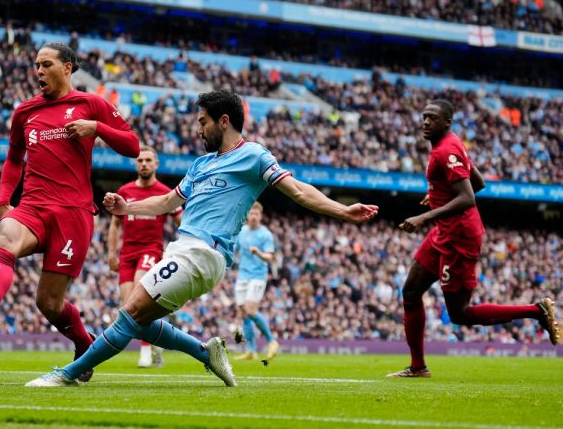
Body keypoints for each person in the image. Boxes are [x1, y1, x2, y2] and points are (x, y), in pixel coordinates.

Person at [24, 90, 378, 388]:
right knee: (142, 320)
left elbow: (297, 190)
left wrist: (342, 211)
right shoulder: (200, 165)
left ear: (224, 121)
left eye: (203, 121)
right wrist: (126, 206)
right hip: (182, 249)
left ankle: (68, 374)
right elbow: (166, 202)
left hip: (204, 254)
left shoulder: (253, 155)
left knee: (129, 313)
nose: (198, 129)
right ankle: (204, 352)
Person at [0, 43, 140, 382]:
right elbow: (12, 160)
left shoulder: (89, 104)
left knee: (48, 304)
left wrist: (96, 128)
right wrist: (5, 201)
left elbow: (132, 145)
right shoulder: (25, 112)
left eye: (46, 64)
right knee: (5, 235)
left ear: (67, 68)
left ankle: (84, 345)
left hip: (73, 215)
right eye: (36, 65)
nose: (38, 71)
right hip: (33, 207)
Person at [387, 99, 561, 378]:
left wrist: (425, 217)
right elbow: (478, 183)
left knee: (459, 314)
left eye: (432, 118)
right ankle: (418, 367)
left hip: (459, 237)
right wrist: (437, 195)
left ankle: (536, 310)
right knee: (410, 291)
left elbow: (468, 197)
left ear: (447, 123)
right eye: (424, 117)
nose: (426, 122)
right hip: (444, 231)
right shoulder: (449, 144)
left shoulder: (447, 150)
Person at [107, 145, 182, 368]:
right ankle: (158, 339)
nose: (144, 164)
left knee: (141, 290)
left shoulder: (164, 192)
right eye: (140, 160)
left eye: (148, 160)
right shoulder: (125, 191)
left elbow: (183, 223)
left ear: (156, 164)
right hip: (127, 253)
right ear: (135, 164)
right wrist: (112, 252)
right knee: (128, 306)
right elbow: (115, 224)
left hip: (151, 250)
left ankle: (145, 350)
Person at [234, 202, 279, 361]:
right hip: (242, 276)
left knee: (251, 310)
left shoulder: (265, 234)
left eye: (256, 214)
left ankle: (271, 341)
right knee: (244, 313)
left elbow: (270, 257)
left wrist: (258, 253)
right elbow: (233, 250)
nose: (253, 216)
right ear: (247, 215)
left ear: (260, 216)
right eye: (251, 213)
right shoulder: (242, 232)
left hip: (258, 276)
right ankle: (251, 350)